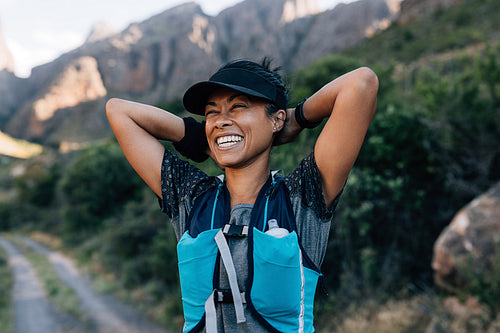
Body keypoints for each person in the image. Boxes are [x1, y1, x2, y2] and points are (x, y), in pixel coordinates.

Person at [106, 59, 378, 332]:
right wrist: (201, 135)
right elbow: (118, 111)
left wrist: (297, 119)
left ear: (276, 119)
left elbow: (360, 84)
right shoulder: (192, 198)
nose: (222, 119)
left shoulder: (302, 199)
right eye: (211, 112)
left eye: (238, 107)